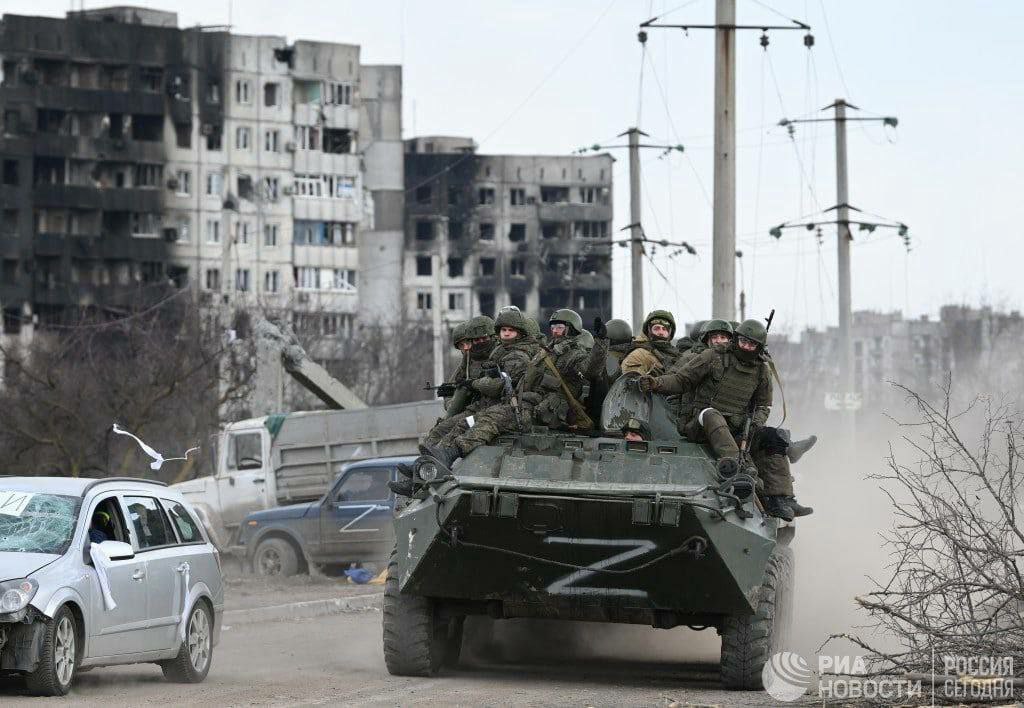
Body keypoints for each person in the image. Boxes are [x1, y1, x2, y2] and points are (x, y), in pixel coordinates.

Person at [640, 319, 812, 521]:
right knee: (712, 414)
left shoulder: (761, 370)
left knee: (772, 436)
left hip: (737, 429)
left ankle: (782, 499)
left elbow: (764, 405)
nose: (746, 347)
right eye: (743, 342)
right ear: (737, 339)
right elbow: (681, 380)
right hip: (700, 424)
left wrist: (755, 423)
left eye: (752, 345)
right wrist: (655, 383)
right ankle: (740, 471)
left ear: (758, 347)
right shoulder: (713, 356)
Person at [421, 308, 591, 467]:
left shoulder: (566, 355)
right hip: (517, 403)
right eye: (553, 327)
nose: (554, 331)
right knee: (465, 423)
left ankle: (451, 453)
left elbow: (592, 370)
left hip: (531, 409)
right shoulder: (544, 352)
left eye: (560, 327)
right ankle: (435, 460)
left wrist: (601, 345)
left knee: (487, 421)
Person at [620, 310, 680, 376]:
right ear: (648, 330)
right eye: (656, 328)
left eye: (664, 329)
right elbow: (631, 383)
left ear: (670, 332)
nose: (660, 332)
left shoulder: (675, 354)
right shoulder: (638, 355)